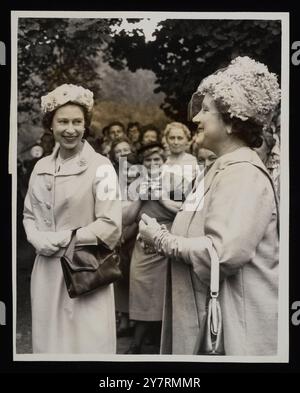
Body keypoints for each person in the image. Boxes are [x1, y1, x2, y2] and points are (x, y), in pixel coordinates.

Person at [139, 56, 281, 355]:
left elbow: (222, 253)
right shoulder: (221, 167)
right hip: (205, 312)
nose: (196, 119)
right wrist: (160, 235)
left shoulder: (242, 173)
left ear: (231, 122)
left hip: (234, 328)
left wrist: (163, 240)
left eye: (206, 110)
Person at [23, 83, 122, 353]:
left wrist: (60, 239)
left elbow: (110, 224)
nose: (70, 129)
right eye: (63, 121)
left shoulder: (101, 167)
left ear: (86, 125)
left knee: (87, 343)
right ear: (50, 125)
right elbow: (29, 213)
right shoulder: (41, 167)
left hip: (85, 270)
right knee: (49, 344)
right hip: (46, 270)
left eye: (77, 122)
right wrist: (35, 238)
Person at [124, 142, 182, 354]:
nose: (152, 164)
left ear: (164, 160)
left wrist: (162, 198)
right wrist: (140, 197)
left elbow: (186, 212)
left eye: (157, 159)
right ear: (142, 164)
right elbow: (126, 219)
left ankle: (161, 342)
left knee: (164, 293)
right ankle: (136, 343)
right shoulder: (134, 185)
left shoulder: (176, 180)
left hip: (168, 242)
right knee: (141, 290)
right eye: (148, 160)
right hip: (142, 244)